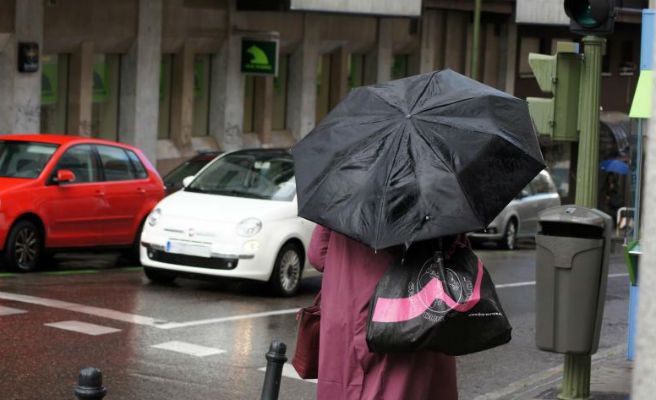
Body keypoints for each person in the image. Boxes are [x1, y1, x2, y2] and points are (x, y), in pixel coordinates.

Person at [308, 225, 458, 400]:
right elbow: (456, 256)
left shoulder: (344, 201)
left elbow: (317, 255)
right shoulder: (440, 203)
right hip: (421, 316)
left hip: (351, 310)